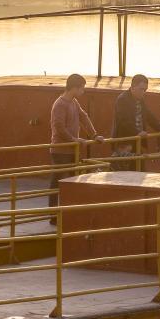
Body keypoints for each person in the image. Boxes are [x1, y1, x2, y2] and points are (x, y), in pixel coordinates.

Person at [49, 74, 104, 217]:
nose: (83, 91)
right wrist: (75, 139)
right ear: (74, 88)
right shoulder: (60, 104)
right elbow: (59, 128)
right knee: (57, 182)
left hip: (72, 150)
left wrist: (94, 135)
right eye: (82, 88)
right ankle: (53, 215)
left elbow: (83, 117)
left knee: (72, 181)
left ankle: (70, 212)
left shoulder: (74, 102)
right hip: (60, 151)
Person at [111, 74, 160, 171]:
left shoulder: (140, 100)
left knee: (138, 169)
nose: (143, 92)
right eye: (141, 89)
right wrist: (137, 132)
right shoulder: (122, 100)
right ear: (133, 87)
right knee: (124, 172)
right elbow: (123, 121)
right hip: (125, 142)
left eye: (145, 90)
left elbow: (148, 115)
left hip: (137, 142)